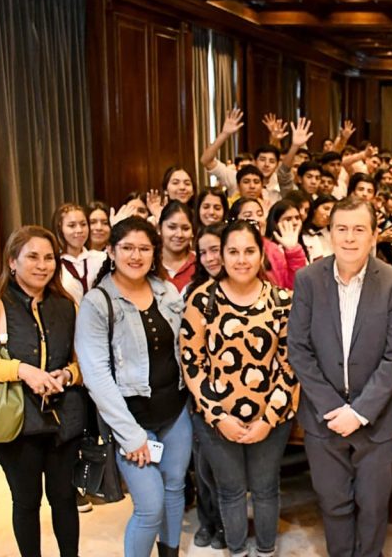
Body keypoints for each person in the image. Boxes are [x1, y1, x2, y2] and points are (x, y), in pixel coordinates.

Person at [287, 197, 392, 557]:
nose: (350, 238)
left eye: (359, 229)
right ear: (329, 233)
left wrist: (358, 412)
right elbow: (299, 349)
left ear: (374, 236)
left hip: (378, 420)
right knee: (333, 505)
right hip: (322, 419)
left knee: (372, 507)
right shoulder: (308, 279)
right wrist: (332, 408)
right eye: (341, 228)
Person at [0, 226, 85, 557]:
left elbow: (83, 363)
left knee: (64, 498)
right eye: (32, 257)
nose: (42, 265)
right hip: (16, 423)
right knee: (27, 501)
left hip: (64, 418)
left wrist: (68, 375)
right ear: (12, 261)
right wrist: (21, 370)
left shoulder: (65, 304)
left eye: (49, 258)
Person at [180, 220, 298, 557]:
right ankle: (236, 551)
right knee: (229, 491)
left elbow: (291, 364)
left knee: (264, 488)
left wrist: (268, 419)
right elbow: (192, 362)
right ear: (222, 255)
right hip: (216, 418)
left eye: (249, 251)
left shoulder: (281, 300)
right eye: (233, 251)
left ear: (261, 255)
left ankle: (265, 550)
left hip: (271, 418)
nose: (241, 259)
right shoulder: (202, 299)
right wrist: (218, 416)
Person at [75, 217, 191, 557]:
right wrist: (130, 434)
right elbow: (96, 376)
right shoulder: (97, 303)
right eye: (127, 248)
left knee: (174, 490)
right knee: (150, 506)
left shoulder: (166, 290)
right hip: (132, 421)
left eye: (144, 248)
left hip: (175, 412)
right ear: (111, 251)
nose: (136, 256)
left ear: (154, 252)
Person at [184, 222, 227, 549]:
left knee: (230, 471)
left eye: (216, 249)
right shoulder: (192, 292)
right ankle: (208, 520)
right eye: (204, 252)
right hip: (200, 393)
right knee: (204, 466)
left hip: (238, 395)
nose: (211, 257)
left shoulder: (247, 286)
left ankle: (228, 524)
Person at [54, 203, 109, 305]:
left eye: (83, 224)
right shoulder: (54, 263)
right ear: (60, 229)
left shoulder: (101, 258)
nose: (79, 230)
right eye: (72, 225)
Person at [262, 199, 308, 289]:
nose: (295, 222)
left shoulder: (304, 243)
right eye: (288, 219)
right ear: (275, 223)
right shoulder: (270, 250)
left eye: (297, 218)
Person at [158, 201, 196, 292]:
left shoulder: (201, 264)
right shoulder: (149, 265)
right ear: (159, 229)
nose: (179, 234)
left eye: (185, 228)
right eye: (172, 227)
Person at [302, 194, 337, 262]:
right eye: (326, 208)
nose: (329, 214)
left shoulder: (334, 234)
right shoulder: (302, 233)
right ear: (315, 208)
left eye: (333, 211)